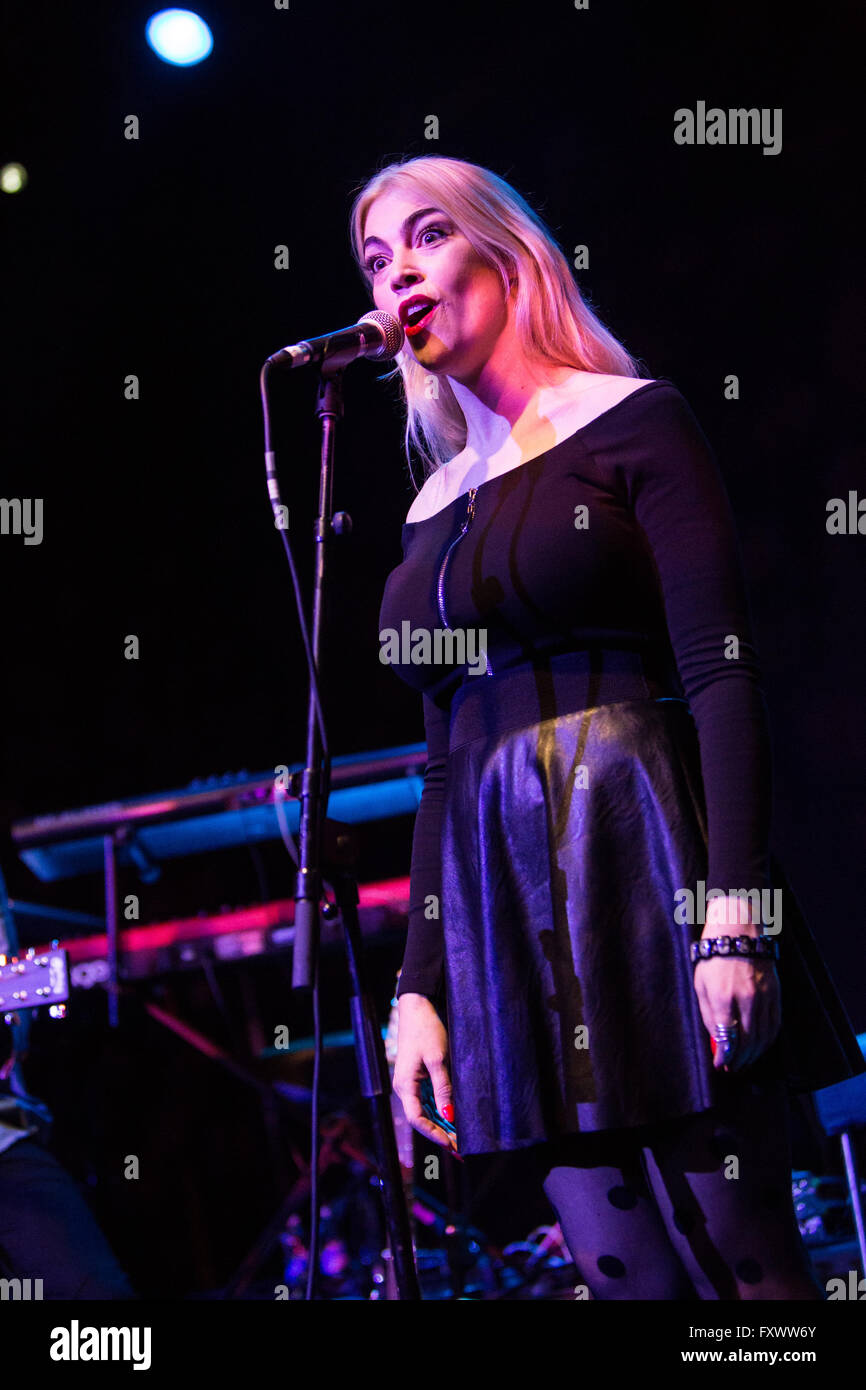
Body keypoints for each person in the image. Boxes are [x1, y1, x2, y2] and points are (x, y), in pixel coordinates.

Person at [351, 154, 865, 1301]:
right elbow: (442, 764)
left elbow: (719, 675)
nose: (399, 278)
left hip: (645, 862)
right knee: (623, 1270)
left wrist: (731, 922)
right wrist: (418, 989)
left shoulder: (631, 422)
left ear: (505, 249)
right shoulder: (429, 509)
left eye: (425, 239)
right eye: (377, 263)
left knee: (743, 1260)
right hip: (503, 909)